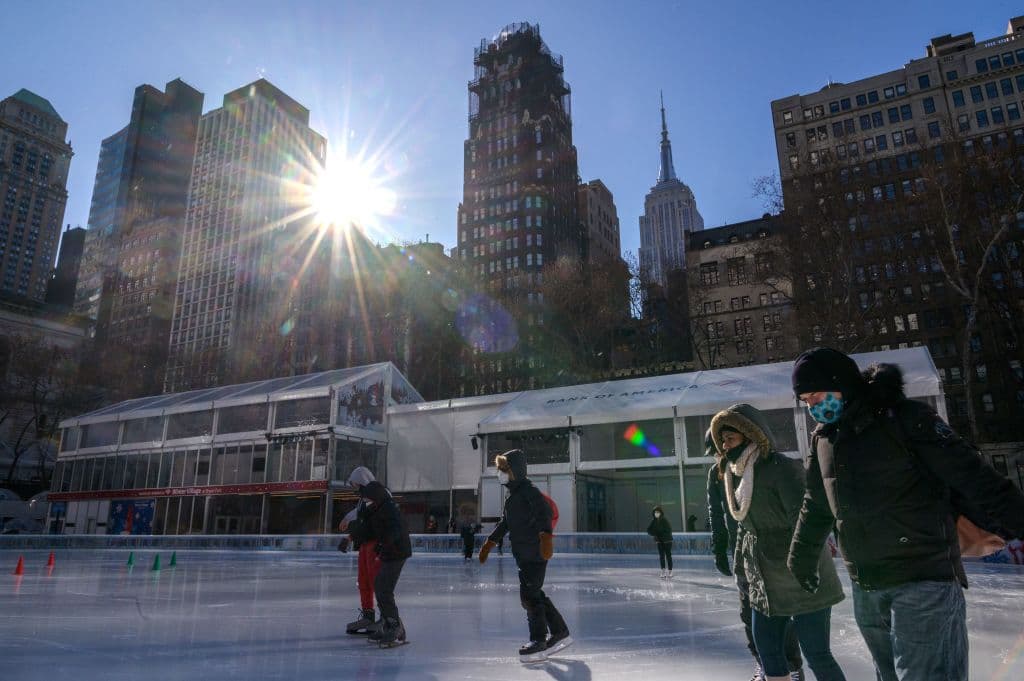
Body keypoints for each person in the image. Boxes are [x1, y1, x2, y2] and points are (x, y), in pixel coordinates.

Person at [787, 348, 1024, 681]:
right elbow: (816, 503)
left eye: (817, 396)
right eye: (806, 401)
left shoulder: (907, 419)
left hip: (922, 578)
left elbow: (975, 477)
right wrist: (801, 556)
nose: (814, 407)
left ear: (842, 383)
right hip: (867, 586)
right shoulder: (824, 439)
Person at [712, 404, 845, 681]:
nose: (725, 446)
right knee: (768, 650)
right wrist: (741, 569)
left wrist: (805, 565)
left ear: (750, 436)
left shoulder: (781, 468)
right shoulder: (737, 474)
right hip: (765, 581)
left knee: (816, 654)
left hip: (802, 575)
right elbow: (745, 526)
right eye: (722, 440)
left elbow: (805, 518)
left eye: (731, 439)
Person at [707, 428, 805, 681]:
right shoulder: (717, 474)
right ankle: (764, 663)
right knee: (748, 613)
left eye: (726, 443)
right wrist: (719, 549)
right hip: (741, 551)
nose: (722, 451)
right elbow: (715, 513)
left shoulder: (755, 466)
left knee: (778, 611)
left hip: (768, 549)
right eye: (718, 447)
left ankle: (792, 665)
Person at [479, 449, 571, 663]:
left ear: (515, 471)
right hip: (524, 554)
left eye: (503, 470)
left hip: (535, 553)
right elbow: (505, 523)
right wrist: (490, 543)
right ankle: (560, 632)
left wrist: (546, 538)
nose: (500, 474)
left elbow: (544, 513)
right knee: (535, 595)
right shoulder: (512, 498)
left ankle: (538, 640)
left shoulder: (529, 492)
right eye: (500, 470)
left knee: (529, 597)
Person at [360, 474, 412, 647]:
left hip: (397, 552)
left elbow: (396, 529)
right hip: (389, 552)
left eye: (368, 499)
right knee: (379, 586)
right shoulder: (376, 508)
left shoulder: (388, 508)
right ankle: (389, 624)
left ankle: (395, 626)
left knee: (383, 589)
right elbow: (368, 528)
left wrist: (384, 543)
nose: (366, 502)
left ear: (376, 497)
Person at [340, 466, 381, 635]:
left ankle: (386, 617)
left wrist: (350, 532)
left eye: (355, 484)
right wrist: (347, 521)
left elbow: (369, 521)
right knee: (363, 580)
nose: (354, 488)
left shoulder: (378, 495)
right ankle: (368, 615)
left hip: (375, 543)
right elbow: (359, 514)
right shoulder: (364, 498)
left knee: (376, 580)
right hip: (364, 543)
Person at [646, 506, 674, 578]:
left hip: (667, 541)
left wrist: (660, 533)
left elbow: (668, 530)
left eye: (658, 512)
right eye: (655, 512)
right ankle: (663, 571)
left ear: (661, 513)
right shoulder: (653, 521)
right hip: (659, 541)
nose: (656, 513)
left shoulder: (664, 520)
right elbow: (649, 530)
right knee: (661, 556)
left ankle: (670, 571)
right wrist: (654, 534)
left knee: (668, 556)